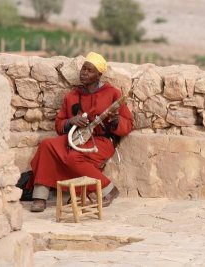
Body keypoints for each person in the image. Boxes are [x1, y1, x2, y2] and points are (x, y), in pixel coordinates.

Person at [28, 52, 133, 212]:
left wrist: (115, 121)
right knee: (47, 145)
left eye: (90, 70)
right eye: (83, 69)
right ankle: (40, 196)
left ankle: (109, 189)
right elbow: (59, 125)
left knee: (74, 158)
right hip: (76, 138)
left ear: (99, 75)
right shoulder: (72, 96)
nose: (84, 73)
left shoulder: (112, 93)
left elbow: (128, 123)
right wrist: (71, 121)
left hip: (101, 141)